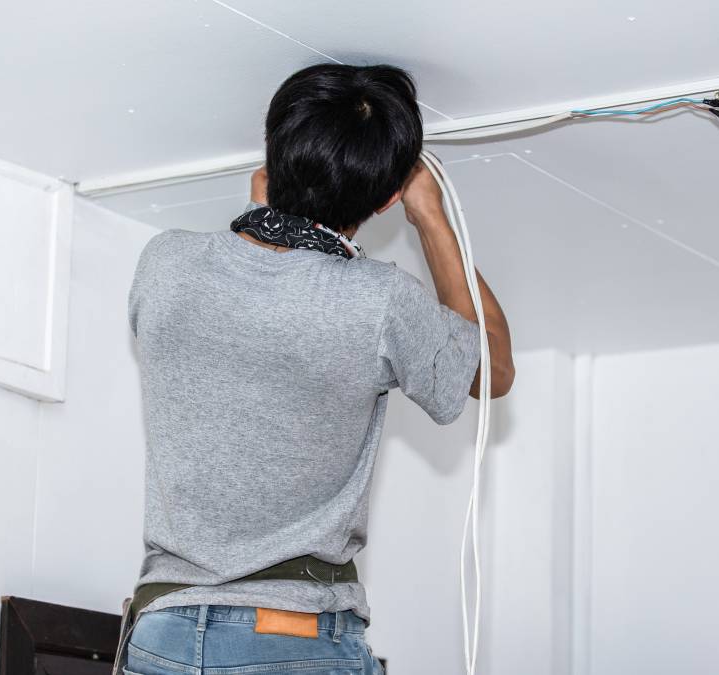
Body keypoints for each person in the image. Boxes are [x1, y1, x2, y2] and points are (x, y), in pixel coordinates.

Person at [120, 63, 515, 675]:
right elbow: (492, 368)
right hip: (290, 639)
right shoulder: (378, 301)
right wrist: (429, 214)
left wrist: (278, 198)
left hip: (161, 636)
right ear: (385, 199)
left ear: (272, 153)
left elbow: (260, 276)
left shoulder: (164, 264)